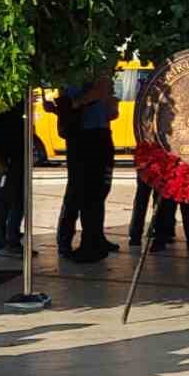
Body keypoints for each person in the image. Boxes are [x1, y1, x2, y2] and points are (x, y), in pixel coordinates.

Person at [51, 74, 119, 262]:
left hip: (99, 134)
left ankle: (95, 238)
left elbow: (109, 104)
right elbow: (95, 93)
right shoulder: (77, 74)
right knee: (78, 191)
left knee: (99, 191)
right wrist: (79, 102)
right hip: (82, 137)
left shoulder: (98, 76)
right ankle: (68, 240)